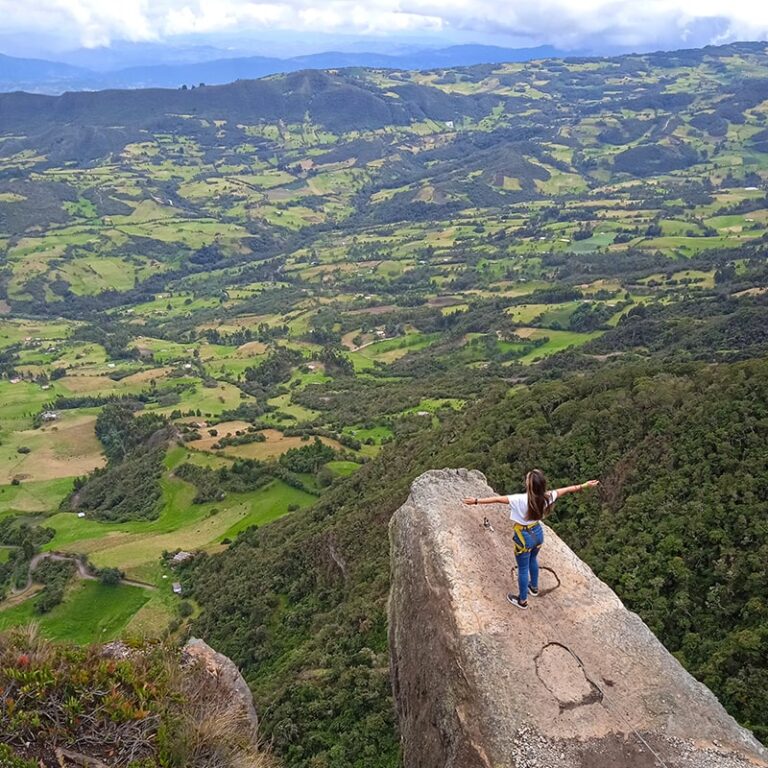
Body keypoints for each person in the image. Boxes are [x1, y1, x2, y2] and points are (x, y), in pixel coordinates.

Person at [463, 469, 599, 609]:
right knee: (533, 560)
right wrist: (584, 485)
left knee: (522, 569)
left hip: (523, 537)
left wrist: (476, 501)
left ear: (529, 485)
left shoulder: (519, 499)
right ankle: (533, 588)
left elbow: (497, 499)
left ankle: (522, 601)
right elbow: (566, 490)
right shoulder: (547, 497)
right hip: (538, 533)